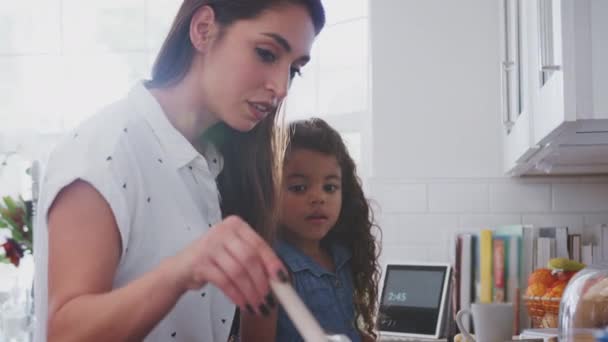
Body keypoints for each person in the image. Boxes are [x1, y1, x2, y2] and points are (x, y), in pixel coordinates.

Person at [32, 1, 325, 341]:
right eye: (266, 53)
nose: (282, 86)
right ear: (203, 29)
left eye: (294, 68)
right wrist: (182, 270)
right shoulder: (105, 151)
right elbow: (65, 333)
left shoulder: (218, 162)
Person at [240, 118, 381, 342]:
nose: (318, 198)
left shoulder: (340, 255)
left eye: (330, 187)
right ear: (269, 191)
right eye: (299, 188)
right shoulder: (267, 273)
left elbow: (344, 330)